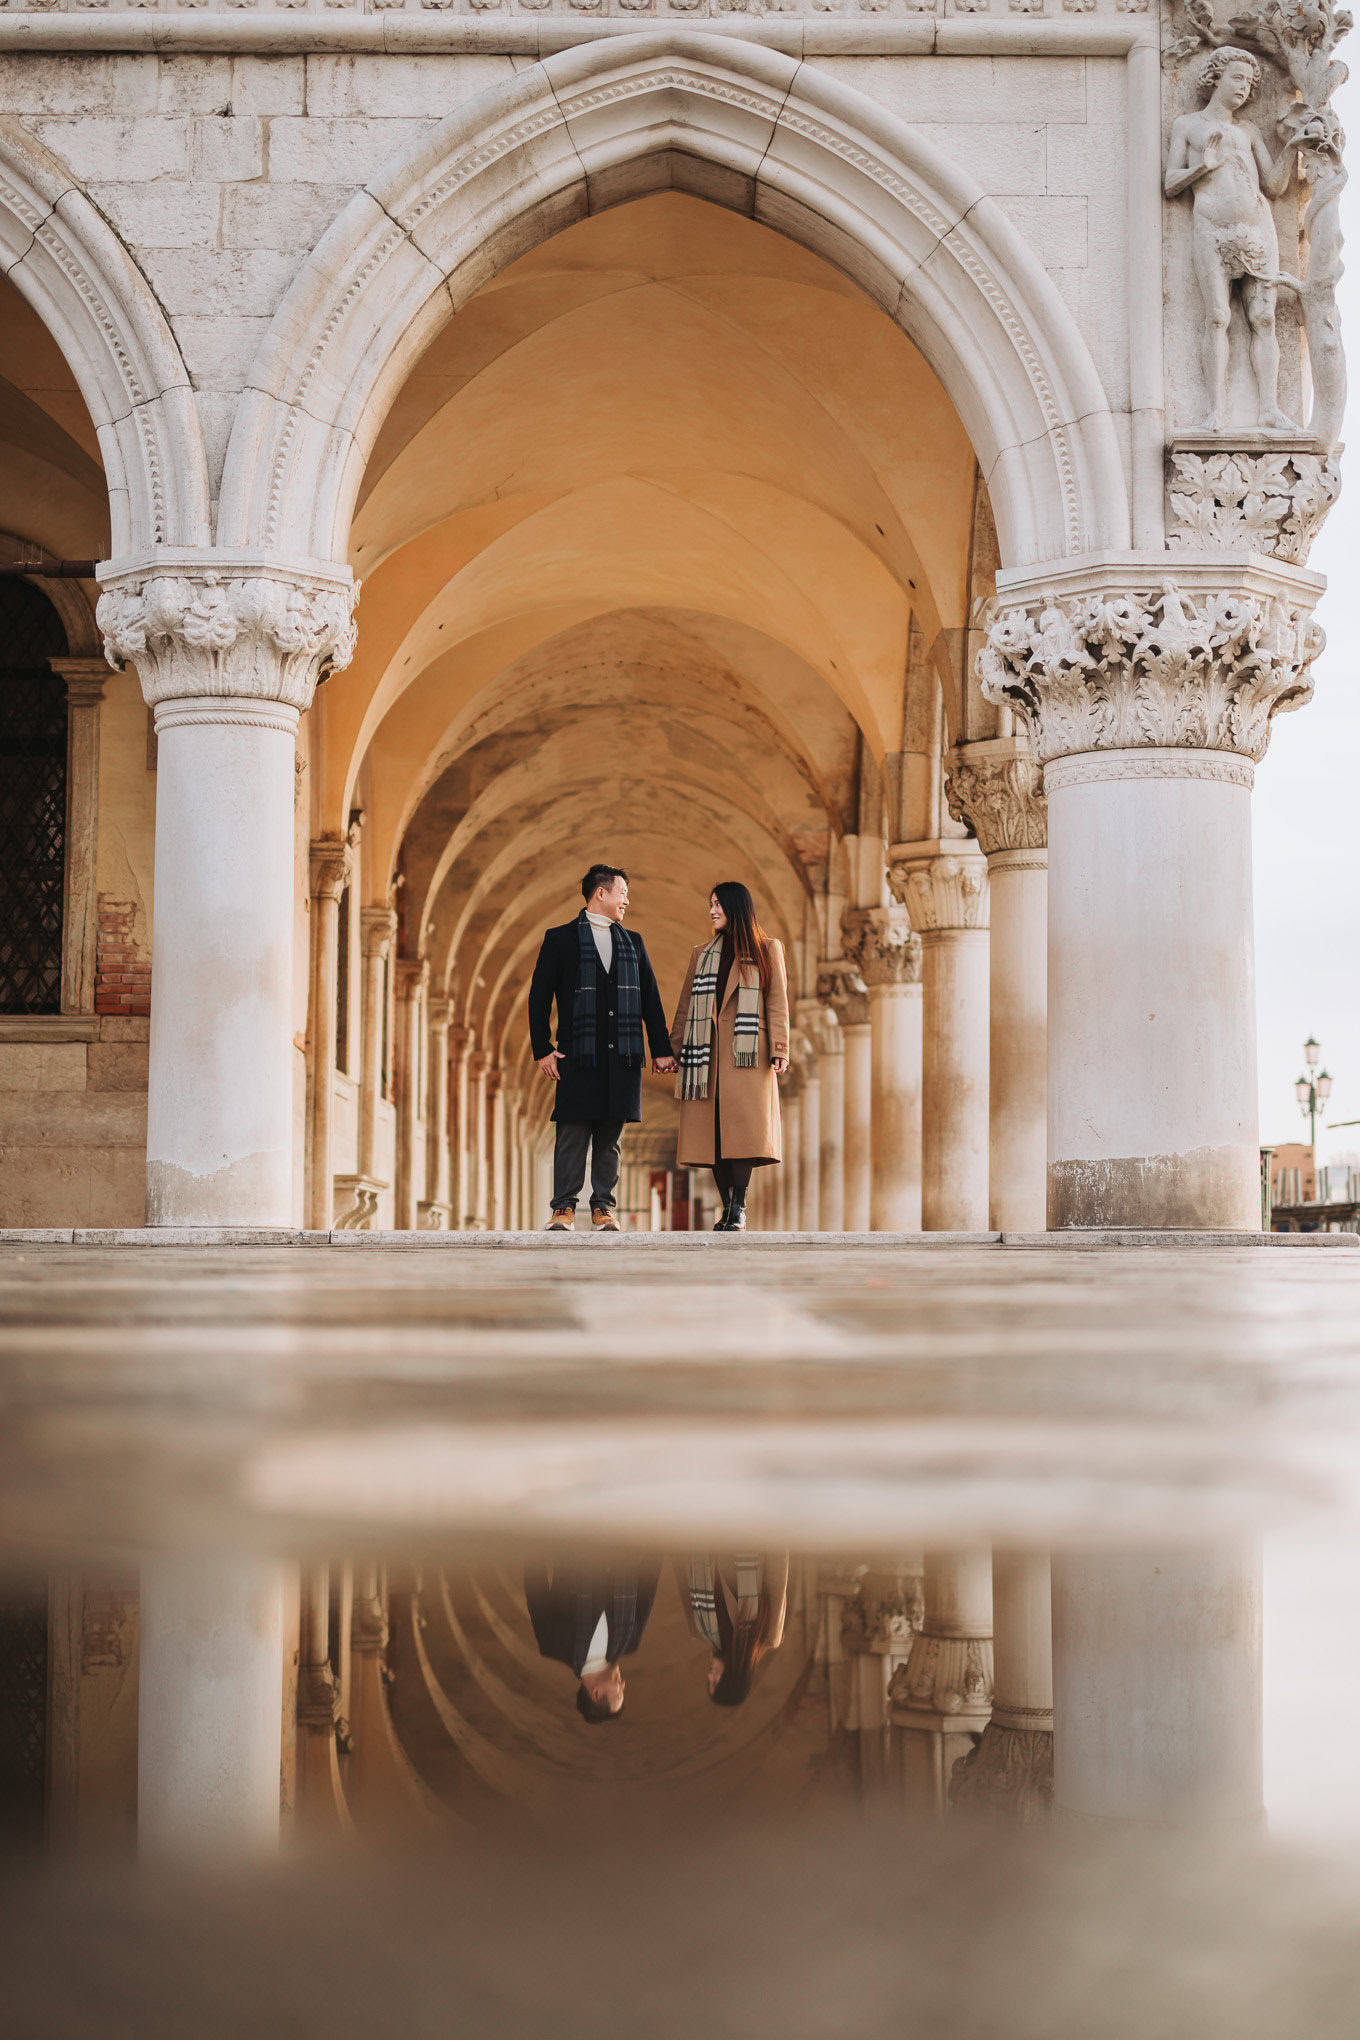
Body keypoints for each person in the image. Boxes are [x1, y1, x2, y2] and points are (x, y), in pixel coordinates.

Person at [529, 864, 676, 1231]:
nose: (627, 899)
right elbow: (539, 997)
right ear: (601, 892)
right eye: (622, 892)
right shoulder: (560, 939)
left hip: (621, 1054)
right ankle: (563, 1208)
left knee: (610, 1135)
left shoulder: (634, 943)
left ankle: (603, 1208)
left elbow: (651, 1002)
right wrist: (542, 1048)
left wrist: (660, 1049)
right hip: (577, 1052)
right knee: (572, 1130)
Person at [1164, 45, 1301, 433]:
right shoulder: (1188, 126)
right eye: (1237, 78)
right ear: (1216, 78)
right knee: (1218, 316)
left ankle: (1269, 408)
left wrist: (1292, 148)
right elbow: (1170, 183)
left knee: (1263, 317)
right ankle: (1216, 411)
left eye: (1249, 82)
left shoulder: (1248, 131)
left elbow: (1274, 184)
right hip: (1211, 228)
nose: (1244, 87)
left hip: (1258, 228)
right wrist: (1199, 168)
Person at [669, 882, 790, 1231]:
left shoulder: (768, 949)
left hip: (747, 1055)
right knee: (714, 1137)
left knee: (743, 1133)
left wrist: (780, 1047)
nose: (712, 910)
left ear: (736, 907)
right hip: (706, 1054)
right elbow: (686, 1007)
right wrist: (673, 1049)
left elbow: (777, 1002)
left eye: (718, 904)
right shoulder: (701, 953)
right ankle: (728, 1207)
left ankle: (739, 1205)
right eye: (710, 904)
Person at [523, 1557, 661, 1723]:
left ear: (596, 1693)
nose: (623, 1685)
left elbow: (535, 1581)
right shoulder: (631, 1642)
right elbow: (649, 1580)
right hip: (625, 1536)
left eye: (618, 1693)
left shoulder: (552, 1646)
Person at [677, 1554, 790, 1708]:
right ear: (733, 1679)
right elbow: (776, 1579)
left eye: (709, 1682)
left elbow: (683, 1575)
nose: (710, 1675)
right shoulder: (768, 1635)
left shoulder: (698, 1630)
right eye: (715, 1682)